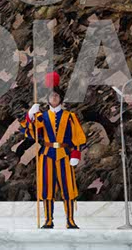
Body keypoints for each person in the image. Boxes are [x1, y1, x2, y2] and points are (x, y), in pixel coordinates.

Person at [21, 72, 87, 229]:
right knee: (47, 188)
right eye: (51, 96)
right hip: (47, 156)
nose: (54, 98)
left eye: (57, 95)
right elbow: (31, 133)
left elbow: (78, 137)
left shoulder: (70, 116)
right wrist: (30, 116)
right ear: (48, 99)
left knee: (68, 187)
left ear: (61, 98)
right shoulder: (41, 116)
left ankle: (70, 220)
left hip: (65, 155)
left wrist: (76, 154)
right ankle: (48, 220)